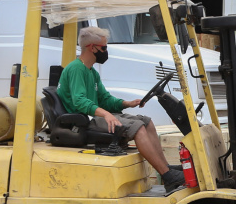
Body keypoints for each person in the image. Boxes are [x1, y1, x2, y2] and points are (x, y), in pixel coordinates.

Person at [56, 26, 186, 193]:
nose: (106, 51)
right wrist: (105, 114)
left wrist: (127, 103)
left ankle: (167, 169)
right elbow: (80, 101)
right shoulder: (76, 69)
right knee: (137, 128)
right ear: (92, 47)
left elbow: (105, 99)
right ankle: (168, 175)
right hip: (81, 121)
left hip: (91, 116)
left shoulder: (91, 72)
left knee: (146, 122)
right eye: (104, 47)